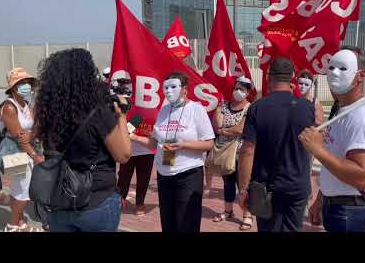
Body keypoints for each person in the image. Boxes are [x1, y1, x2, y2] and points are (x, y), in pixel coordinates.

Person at [33, 48, 131, 232]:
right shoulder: (98, 112)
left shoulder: (48, 114)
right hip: (96, 201)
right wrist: (122, 116)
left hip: (59, 199)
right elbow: (124, 154)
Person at [299, 46, 365, 232]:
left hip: (353, 212)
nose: (334, 73)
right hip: (338, 208)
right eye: (331, 68)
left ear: (360, 75)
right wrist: (321, 198)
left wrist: (318, 150)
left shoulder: (364, 116)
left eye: (343, 68)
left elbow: (362, 176)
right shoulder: (343, 110)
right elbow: (336, 157)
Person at [238, 58, 315, 232]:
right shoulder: (306, 107)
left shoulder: (257, 108)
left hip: (266, 188)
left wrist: (243, 189)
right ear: (292, 79)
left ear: (268, 78)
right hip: (297, 186)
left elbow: (248, 151)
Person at [130, 72, 215, 232]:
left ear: (185, 89)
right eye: (165, 88)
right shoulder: (164, 110)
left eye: (173, 87)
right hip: (165, 174)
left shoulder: (196, 109)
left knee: (186, 224)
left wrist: (183, 145)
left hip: (188, 174)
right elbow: (155, 142)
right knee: (168, 224)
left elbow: (209, 143)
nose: (168, 91)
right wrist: (134, 137)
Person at [0, 68, 44, 232]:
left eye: (27, 83)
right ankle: (12, 225)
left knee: (19, 190)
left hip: (25, 151)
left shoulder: (26, 104)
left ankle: (20, 221)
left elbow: (37, 126)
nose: (26, 86)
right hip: (14, 155)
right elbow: (19, 138)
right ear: (13, 88)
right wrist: (35, 155)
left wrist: (31, 134)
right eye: (21, 83)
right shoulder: (10, 107)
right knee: (23, 191)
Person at [211, 76, 254, 230]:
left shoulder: (251, 108)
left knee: (243, 184)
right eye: (236, 88)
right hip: (225, 152)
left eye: (241, 89)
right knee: (228, 182)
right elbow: (218, 126)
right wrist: (219, 113)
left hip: (242, 153)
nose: (237, 92)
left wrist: (224, 130)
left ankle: (247, 214)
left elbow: (242, 129)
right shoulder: (225, 106)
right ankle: (228, 211)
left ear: (248, 92)